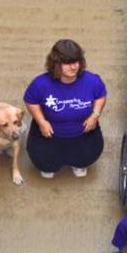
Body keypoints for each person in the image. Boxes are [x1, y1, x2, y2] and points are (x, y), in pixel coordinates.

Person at [23, 39, 105, 179]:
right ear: (56, 64)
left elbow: (101, 95)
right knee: (46, 166)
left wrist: (95, 115)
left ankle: (79, 163)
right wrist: (41, 121)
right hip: (50, 135)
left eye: (76, 62)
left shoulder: (92, 81)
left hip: (83, 133)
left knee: (85, 157)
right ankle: (50, 164)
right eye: (67, 63)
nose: (73, 67)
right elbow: (30, 100)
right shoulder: (40, 84)